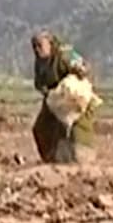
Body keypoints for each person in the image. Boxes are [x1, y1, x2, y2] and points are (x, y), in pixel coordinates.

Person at [31, 31, 96, 164]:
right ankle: (51, 158)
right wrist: (50, 94)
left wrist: (72, 85)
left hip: (75, 99)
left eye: (40, 45)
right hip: (55, 101)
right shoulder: (40, 63)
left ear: (50, 44)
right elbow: (39, 83)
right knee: (41, 127)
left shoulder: (65, 55)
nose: (37, 50)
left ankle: (82, 158)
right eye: (34, 47)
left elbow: (84, 69)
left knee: (78, 130)